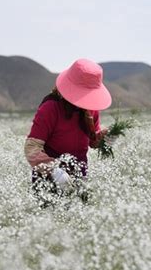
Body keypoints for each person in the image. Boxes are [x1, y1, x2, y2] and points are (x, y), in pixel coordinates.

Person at [24, 58, 113, 205]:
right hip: (48, 181)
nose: (84, 98)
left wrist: (106, 139)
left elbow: (92, 140)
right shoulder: (51, 108)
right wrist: (54, 171)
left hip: (79, 179)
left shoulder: (91, 108)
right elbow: (31, 148)